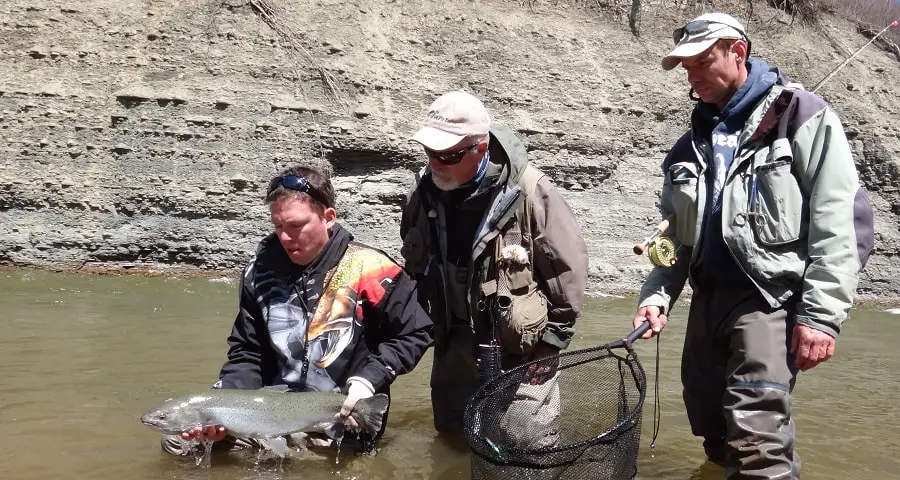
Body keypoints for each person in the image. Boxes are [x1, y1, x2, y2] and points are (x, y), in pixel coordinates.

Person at [633, 12, 875, 479]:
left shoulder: (802, 115)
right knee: (711, 426)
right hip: (707, 305)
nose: (692, 75)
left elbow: (837, 220)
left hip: (769, 302)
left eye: (701, 62)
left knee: (757, 438)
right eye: (685, 67)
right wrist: (657, 296)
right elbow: (674, 239)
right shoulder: (687, 147)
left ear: (737, 53)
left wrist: (821, 317)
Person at [161, 164, 434, 457]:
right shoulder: (258, 273)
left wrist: (369, 380)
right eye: (278, 226)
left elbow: (416, 332)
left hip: (342, 418)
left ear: (328, 218)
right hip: (269, 413)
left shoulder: (374, 269)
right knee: (178, 441)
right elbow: (247, 352)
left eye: (295, 226)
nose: (285, 237)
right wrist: (224, 408)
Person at [399, 90, 589, 452]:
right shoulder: (425, 190)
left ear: (480, 149)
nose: (436, 163)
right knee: (453, 441)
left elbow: (570, 269)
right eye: (429, 153)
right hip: (453, 344)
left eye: (448, 155)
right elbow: (414, 261)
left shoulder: (532, 192)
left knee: (525, 444)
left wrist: (552, 343)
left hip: (522, 352)